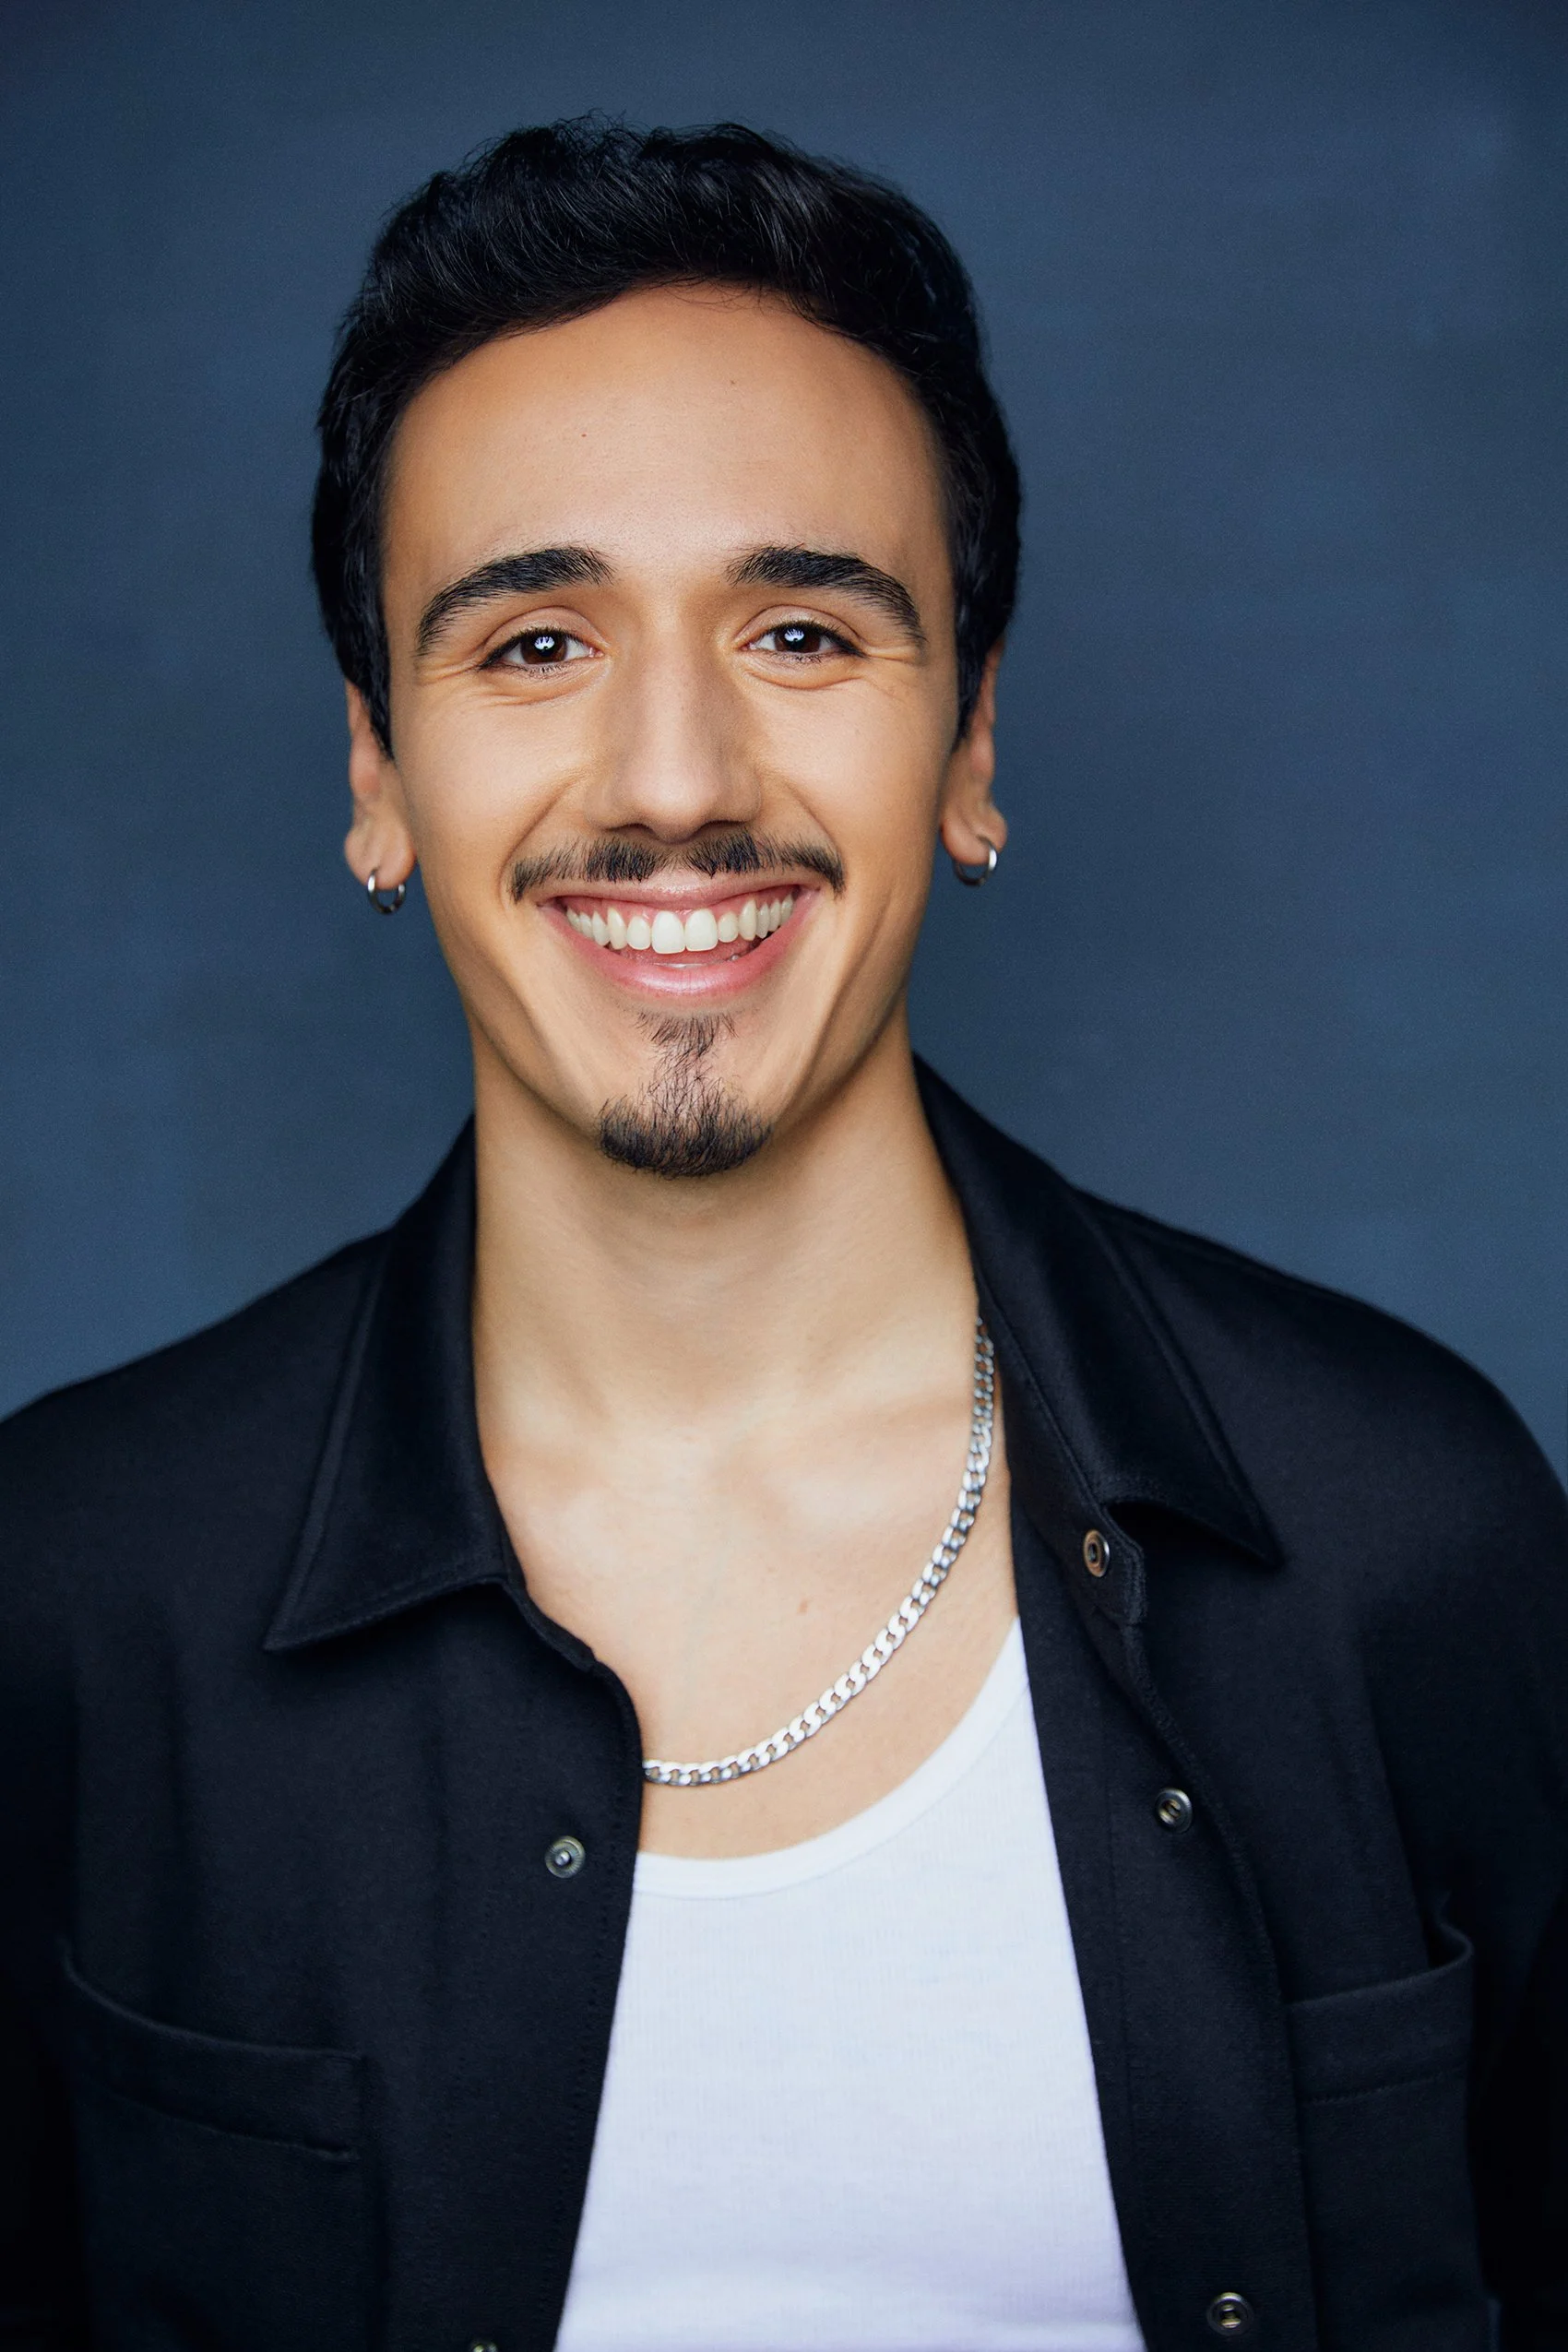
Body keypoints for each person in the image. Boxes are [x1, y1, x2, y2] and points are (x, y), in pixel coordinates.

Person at [2, 116, 1564, 2352]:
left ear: (970, 742)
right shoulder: (74, 1590)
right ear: (375, 773)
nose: (673, 780)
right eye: (536, 640)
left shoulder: (1403, 1531)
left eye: (805, 629)